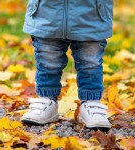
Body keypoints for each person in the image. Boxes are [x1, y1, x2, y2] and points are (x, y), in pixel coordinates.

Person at [21, 0, 113, 129]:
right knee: (47, 61)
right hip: (46, 14)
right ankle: (47, 100)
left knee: (90, 63)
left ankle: (91, 103)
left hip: (91, 16)